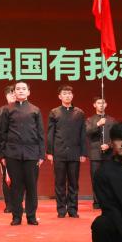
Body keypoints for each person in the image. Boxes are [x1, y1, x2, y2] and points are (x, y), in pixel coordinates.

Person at [0, 80, 45, 226]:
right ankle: (16, 216)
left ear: (28, 92)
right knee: (16, 187)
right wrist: (3, 154)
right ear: (14, 92)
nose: (20, 91)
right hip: (13, 153)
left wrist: (41, 155)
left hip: (32, 154)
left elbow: (40, 134)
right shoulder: (7, 110)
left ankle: (31, 216)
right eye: (18, 89)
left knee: (31, 186)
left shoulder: (35, 110)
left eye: (23, 89)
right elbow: (3, 133)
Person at [47, 85, 88, 218]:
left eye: (69, 93)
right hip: (59, 152)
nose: (67, 95)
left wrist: (83, 153)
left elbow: (83, 134)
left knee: (73, 183)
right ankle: (61, 210)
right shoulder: (54, 112)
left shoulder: (79, 113)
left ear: (72, 95)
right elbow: (50, 133)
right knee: (59, 183)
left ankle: (72, 209)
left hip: (75, 152)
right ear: (60, 96)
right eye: (64, 93)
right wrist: (50, 152)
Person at [86, 96, 117, 210]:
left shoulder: (112, 120)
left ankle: (108, 201)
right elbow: (87, 132)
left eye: (103, 103)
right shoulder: (90, 120)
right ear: (94, 105)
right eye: (99, 103)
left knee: (109, 179)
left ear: (106, 105)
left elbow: (116, 137)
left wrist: (109, 145)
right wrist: (98, 124)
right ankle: (97, 202)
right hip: (95, 154)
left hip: (108, 154)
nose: (101, 105)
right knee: (96, 179)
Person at [0, 85, 16, 213]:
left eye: (14, 93)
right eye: (10, 94)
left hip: (20, 150)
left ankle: (18, 204)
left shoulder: (24, 110)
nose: (13, 95)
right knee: (6, 177)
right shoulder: (1, 111)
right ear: (6, 96)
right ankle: (9, 204)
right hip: (5, 150)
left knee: (20, 179)